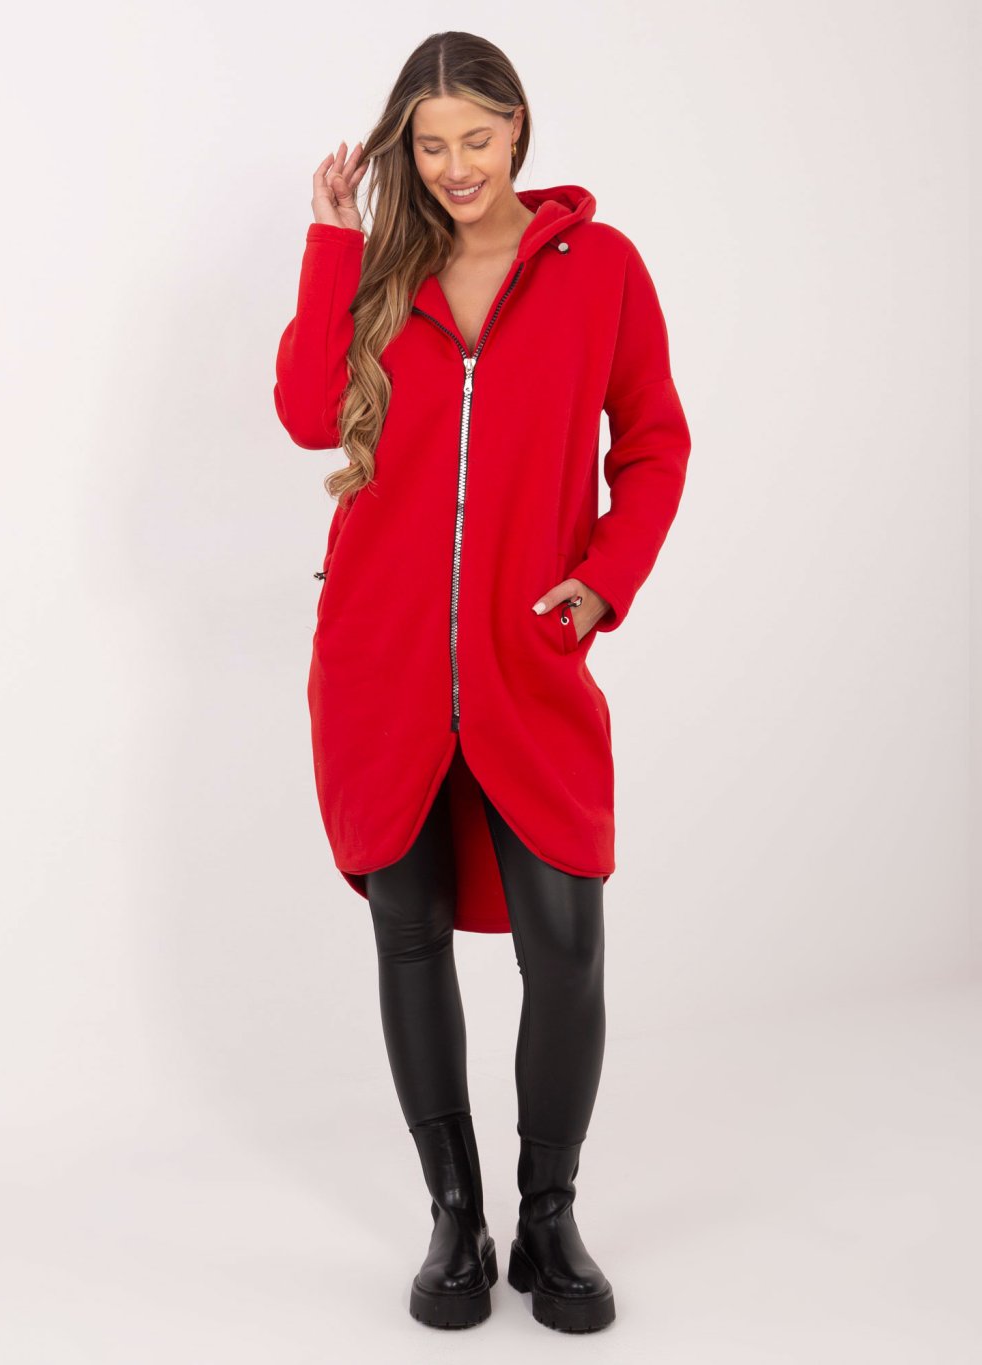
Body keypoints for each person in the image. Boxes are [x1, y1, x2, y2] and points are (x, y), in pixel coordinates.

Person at [273, 30, 691, 1334]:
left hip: (526, 662)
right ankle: (453, 1216)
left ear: (518, 128)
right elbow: (306, 413)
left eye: (477, 138)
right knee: (410, 935)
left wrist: (604, 579)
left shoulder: (599, 268)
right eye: (430, 145)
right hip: (381, 663)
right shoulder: (384, 274)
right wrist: (335, 239)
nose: (456, 167)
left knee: (566, 948)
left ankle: (548, 1214)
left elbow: (656, 441)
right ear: (404, 149)